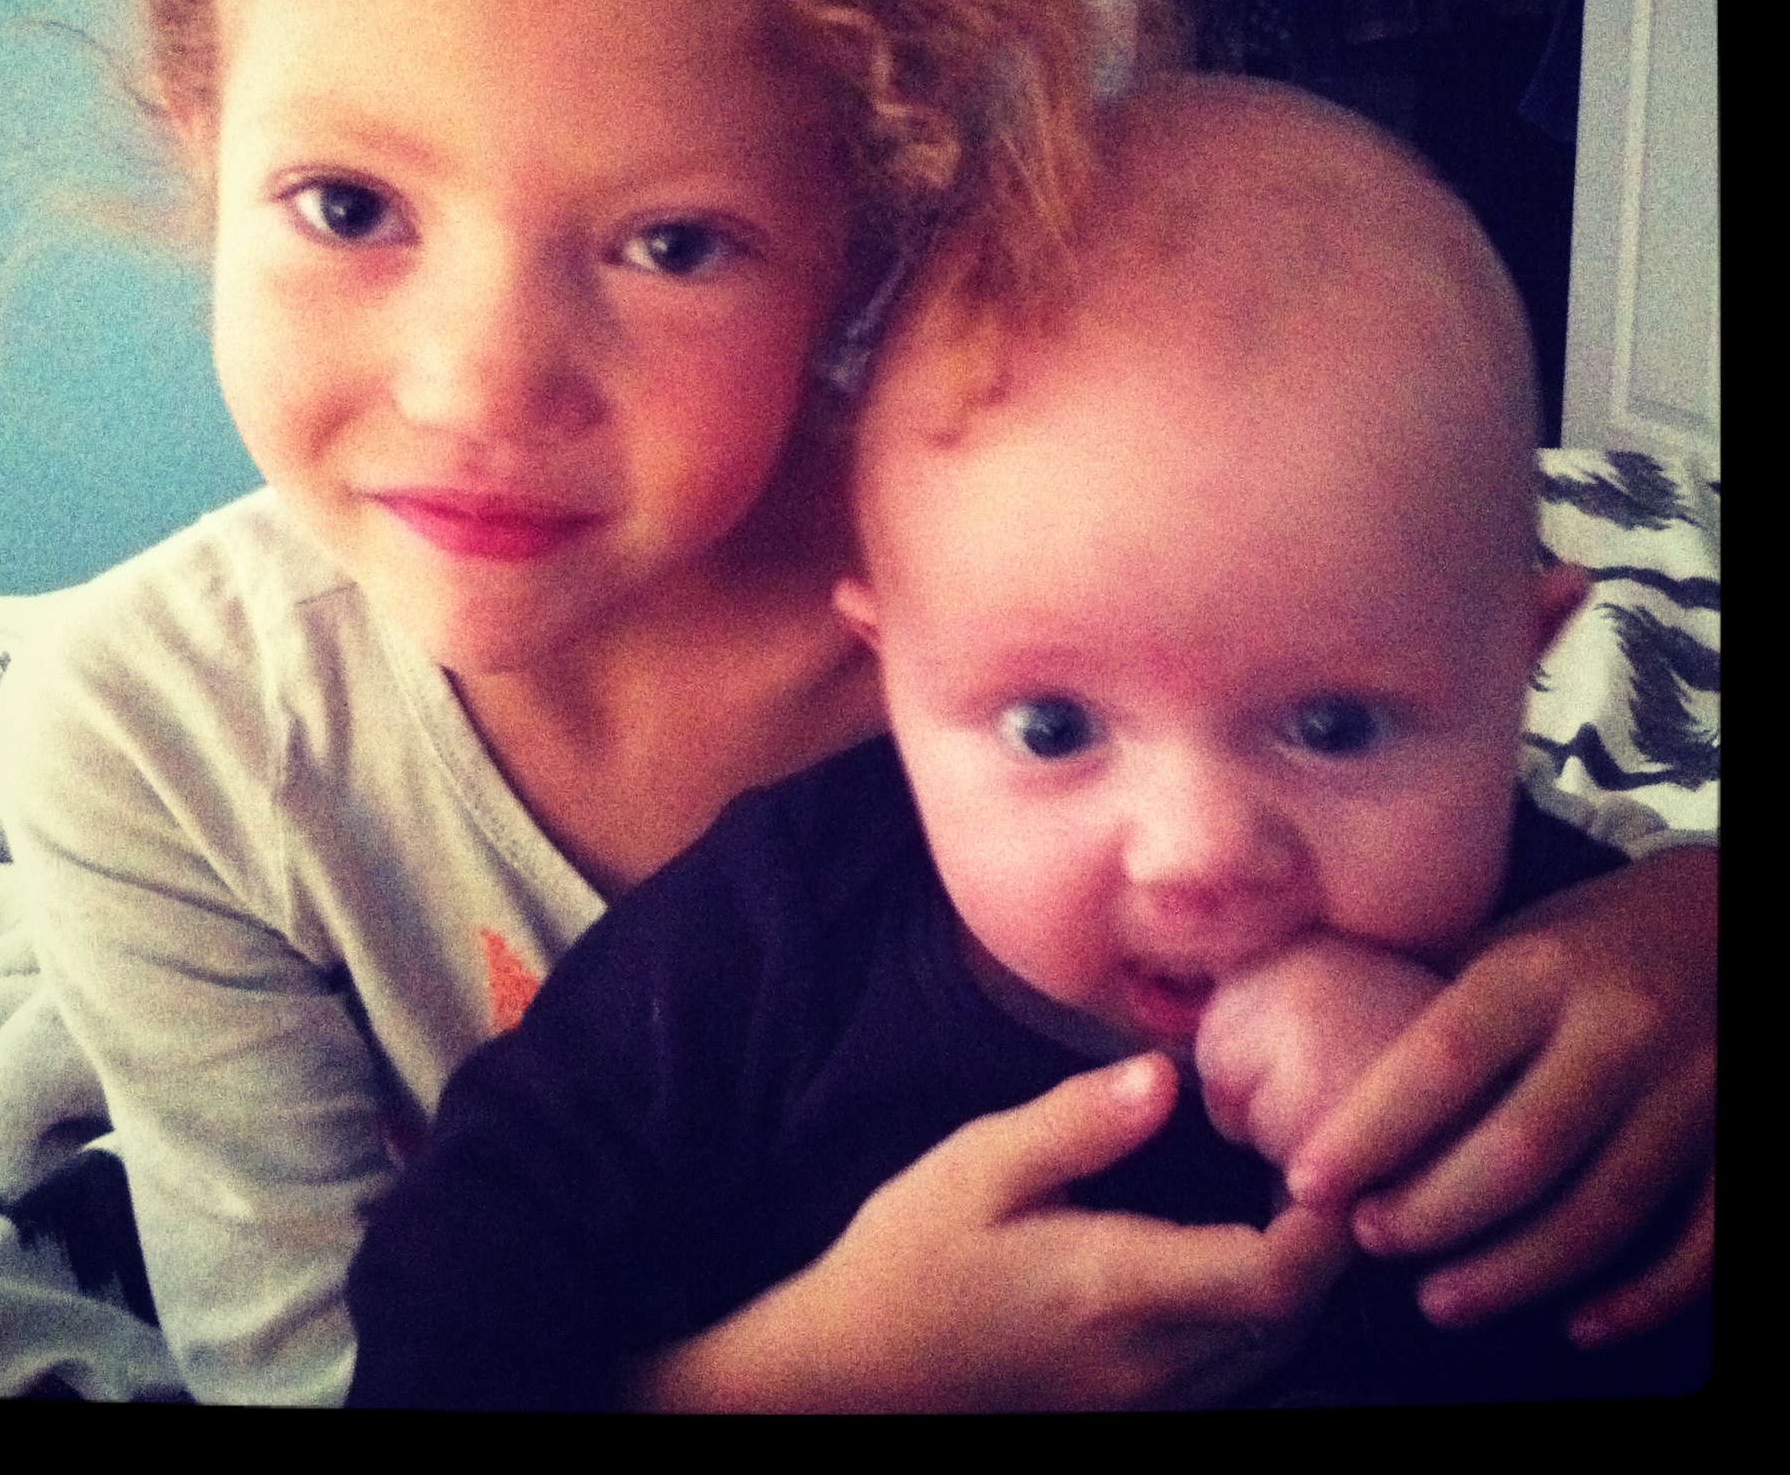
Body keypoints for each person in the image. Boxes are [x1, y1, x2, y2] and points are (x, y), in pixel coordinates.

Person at [0, 0, 1713, 1408]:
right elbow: (320, 1379)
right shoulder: (146, 740)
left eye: (672, 242)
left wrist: (1683, 932)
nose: (479, 390)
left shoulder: (1045, 585)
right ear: (203, 128)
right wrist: (824, 1374)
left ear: (864, 218)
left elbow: (1455, 787)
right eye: (349, 205)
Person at [344, 76, 1713, 1409]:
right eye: (1053, 728)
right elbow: (437, 1331)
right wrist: (831, 1375)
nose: (1195, 855)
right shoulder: (766, 941)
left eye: (1334, 726)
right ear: (892, 670)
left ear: (1524, 665)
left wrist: (1472, 1117)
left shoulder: (1593, 979)